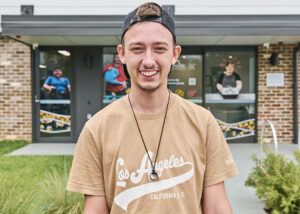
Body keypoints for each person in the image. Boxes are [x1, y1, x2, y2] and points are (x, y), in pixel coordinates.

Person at [67, 2, 238, 214]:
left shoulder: (203, 122)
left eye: (159, 49)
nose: (148, 61)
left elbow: (217, 207)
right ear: (122, 54)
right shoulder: (96, 129)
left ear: (174, 54)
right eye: (137, 49)